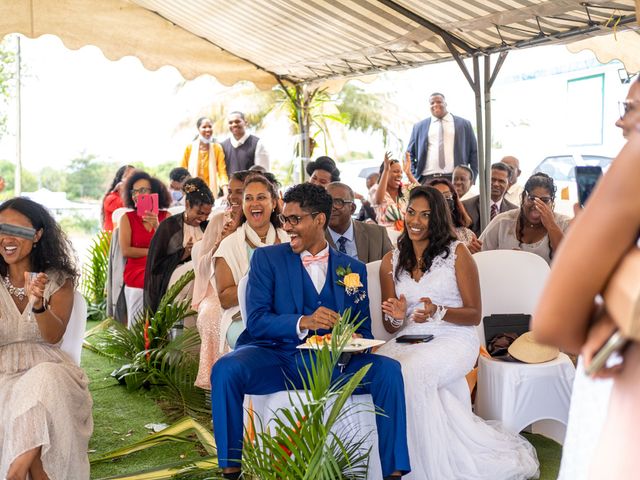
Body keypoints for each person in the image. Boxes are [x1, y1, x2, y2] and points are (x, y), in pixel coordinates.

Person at [210, 183, 410, 480]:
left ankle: (393, 472)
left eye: (295, 220)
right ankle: (230, 470)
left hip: (331, 365)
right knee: (225, 370)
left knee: (389, 371)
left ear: (319, 219)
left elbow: (362, 328)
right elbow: (258, 321)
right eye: (285, 219)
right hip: (275, 359)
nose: (287, 227)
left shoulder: (351, 268)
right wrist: (303, 322)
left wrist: (347, 339)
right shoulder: (267, 259)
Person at [375, 186, 539, 480]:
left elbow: (474, 314)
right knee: (382, 370)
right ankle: (388, 456)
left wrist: (438, 310)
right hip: (409, 337)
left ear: (437, 218)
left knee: (410, 373)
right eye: (411, 212)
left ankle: (409, 468)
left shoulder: (457, 254)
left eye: (425, 215)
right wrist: (397, 317)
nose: (416, 220)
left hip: (455, 336)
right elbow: (391, 326)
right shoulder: (391, 261)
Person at [532, 77, 640, 479]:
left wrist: (591, 251)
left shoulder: (634, 167)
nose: (618, 121)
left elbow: (554, 321)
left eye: (630, 109)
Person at [0, 197, 92, 480]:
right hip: (4, 375)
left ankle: (14, 473)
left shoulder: (58, 279)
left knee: (44, 380)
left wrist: (38, 303)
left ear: (38, 235)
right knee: (34, 415)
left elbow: (54, 336)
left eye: (19, 230)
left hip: (51, 368)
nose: (7, 238)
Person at [213, 174, 289, 350]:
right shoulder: (229, 245)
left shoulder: (288, 241)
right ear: (244, 205)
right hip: (242, 317)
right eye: (249, 198)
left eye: (261, 197)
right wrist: (264, 285)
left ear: (274, 203)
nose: (255, 203)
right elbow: (224, 298)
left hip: (285, 314)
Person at [193, 170, 253, 389]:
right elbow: (201, 265)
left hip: (252, 293)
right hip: (220, 291)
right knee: (212, 314)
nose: (233, 197)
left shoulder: (260, 224)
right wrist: (222, 242)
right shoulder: (219, 220)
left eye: (240, 191)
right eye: (231, 191)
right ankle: (218, 383)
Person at [144, 177, 213, 315]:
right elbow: (155, 265)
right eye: (199, 213)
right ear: (187, 205)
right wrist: (183, 254)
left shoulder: (208, 226)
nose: (203, 218)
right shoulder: (168, 227)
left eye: (207, 214)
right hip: (175, 288)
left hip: (205, 288)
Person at [480, 172, 570, 265]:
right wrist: (506, 258)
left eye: (545, 201)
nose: (537, 205)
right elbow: (481, 255)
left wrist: (551, 225)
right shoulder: (503, 222)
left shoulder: (564, 224)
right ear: (523, 198)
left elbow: (570, 261)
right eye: (532, 198)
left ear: (552, 202)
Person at [119, 170, 171, 326]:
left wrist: (157, 226)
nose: (137, 195)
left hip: (159, 269)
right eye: (134, 191)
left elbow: (170, 248)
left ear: (154, 193)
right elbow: (126, 251)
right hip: (136, 272)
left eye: (142, 190)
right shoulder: (127, 218)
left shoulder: (165, 216)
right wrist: (153, 252)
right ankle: (139, 339)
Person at [406, 92, 478, 184]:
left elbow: (474, 152)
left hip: (455, 179)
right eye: (432, 103)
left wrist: (473, 178)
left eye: (439, 102)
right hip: (426, 179)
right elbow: (409, 154)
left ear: (445, 103)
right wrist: (413, 175)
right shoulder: (419, 126)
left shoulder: (464, 124)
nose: (435, 104)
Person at [325, 181, 393, 262]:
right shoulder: (314, 238)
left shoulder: (378, 234)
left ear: (352, 208)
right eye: (327, 202)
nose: (331, 208)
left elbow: (394, 267)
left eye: (338, 202)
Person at [463, 162, 517, 237]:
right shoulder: (466, 206)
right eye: (492, 179)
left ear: (509, 185)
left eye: (501, 181)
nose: (496, 184)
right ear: (484, 181)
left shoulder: (514, 211)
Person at [428, 177, 481, 253]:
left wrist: (476, 252)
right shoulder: (423, 233)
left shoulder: (466, 234)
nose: (443, 201)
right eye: (438, 197)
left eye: (447, 196)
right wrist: (463, 253)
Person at [370, 152, 419, 233]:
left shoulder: (404, 189)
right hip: (386, 237)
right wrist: (386, 170)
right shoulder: (375, 189)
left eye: (401, 172)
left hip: (405, 236)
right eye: (395, 171)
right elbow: (378, 200)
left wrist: (408, 173)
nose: (399, 175)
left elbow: (423, 192)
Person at [181, 116, 229, 195]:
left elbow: (222, 172)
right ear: (198, 129)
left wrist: (226, 193)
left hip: (210, 192)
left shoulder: (217, 148)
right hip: (191, 191)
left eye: (210, 127)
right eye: (204, 127)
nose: (208, 129)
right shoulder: (189, 148)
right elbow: (183, 171)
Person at [102, 164, 134, 231]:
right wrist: (123, 190)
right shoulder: (111, 198)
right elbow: (128, 206)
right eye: (130, 177)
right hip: (112, 240)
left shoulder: (134, 197)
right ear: (120, 181)